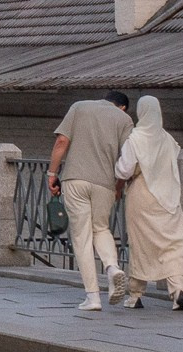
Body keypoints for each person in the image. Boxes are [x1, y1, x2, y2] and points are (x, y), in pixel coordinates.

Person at [48, 90, 134, 312]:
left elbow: (62, 141)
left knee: (82, 238)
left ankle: (93, 297)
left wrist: (51, 174)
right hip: (105, 183)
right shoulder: (124, 119)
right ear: (122, 106)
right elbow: (128, 158)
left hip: (75, 179)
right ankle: (112, 267)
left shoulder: (80, 107)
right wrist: (118, 187)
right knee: (101, 228)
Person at [116, 96, 183, 311]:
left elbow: (124, 170)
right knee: (172, 244)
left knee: (141, 245)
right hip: (168, 197)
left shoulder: (135, 139)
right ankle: (178, 289)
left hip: (142, 196)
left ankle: (135, 294)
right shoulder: (168, 139)